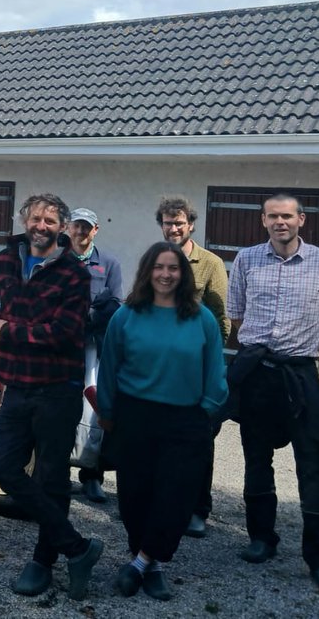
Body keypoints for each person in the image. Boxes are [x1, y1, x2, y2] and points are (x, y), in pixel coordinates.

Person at [0, 192, 102, 600]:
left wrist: (8, 331)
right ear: (24, 220)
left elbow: (64, 333)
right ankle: (77, 547)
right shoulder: (7, 258)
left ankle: (42, 563)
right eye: (35, 218)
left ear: (63, 228)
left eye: (50, 220)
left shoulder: (75, 274)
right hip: (17, 384)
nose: (41, 226)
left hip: (57, 389)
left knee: (51, 478)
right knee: (5, 469)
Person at [228, 194, 319, 595]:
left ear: (301, 221)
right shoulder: (245, 260)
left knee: (313, 466)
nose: (281, 222)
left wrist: (298, 349)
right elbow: (237, 313)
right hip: (258, 375)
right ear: (263, 220)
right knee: (256, 459)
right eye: (273, 216)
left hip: (300, 377)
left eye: (288, 216)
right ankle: (261, 537)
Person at [97, 241, 228, 601]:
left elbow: (216, 370)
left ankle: (139, 563)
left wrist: (206, 408)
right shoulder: (126, 315)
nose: (166, 274)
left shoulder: (200, 318)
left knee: (175, 495)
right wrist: (106, 412)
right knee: (135, 495)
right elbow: (109, 367)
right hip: (135, 415)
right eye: (159, 267)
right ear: (147, 272)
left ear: (183, 273)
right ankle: (149, 564)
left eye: (173, 268)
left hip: (186, 419)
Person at [156, 195, 230, 537]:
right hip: (159, 368)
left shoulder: (211, 263)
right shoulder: (156, 260)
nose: (173, 228)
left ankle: (198, 508)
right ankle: (163, 502)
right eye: (168, 222)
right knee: (161, 439)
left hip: (196, 368)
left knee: (198, 439)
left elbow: (220, 319)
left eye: (179, 222)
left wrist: (207, 363)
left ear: (191, 225)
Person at [66, 208, 122, 503]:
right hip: (62, 348)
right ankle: (58, 473)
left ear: (96, 230)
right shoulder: (57, 260)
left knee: (96, 408)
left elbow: (114, 302)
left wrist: (90, 315)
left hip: (94, 348)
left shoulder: (109, 263)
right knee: (62, 408)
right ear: (68, 228)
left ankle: (92, 476)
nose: (81, 232)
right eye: (77, 226)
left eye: (87, 227)